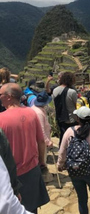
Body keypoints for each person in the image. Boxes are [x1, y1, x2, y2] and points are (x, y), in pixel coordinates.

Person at [0, 83, 49, 213]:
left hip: (13, 176)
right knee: (32, 209)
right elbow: (40, 141)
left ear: (9, 97)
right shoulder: (31, 113)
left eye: (1, 95)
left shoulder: (1, 119)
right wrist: (41, 161)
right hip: (32, 169)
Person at [57, 106, 90, 214]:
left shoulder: (70, 131)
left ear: (78, 118)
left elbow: (62, 150)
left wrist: (60, 164)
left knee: (82, 199)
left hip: (75, 169)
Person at [31, 91, 54, 183]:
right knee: (41, 159)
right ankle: (41, 179)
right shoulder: (39, 113)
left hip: (39, 140)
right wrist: (48, 142)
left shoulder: (36, 108)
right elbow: (41, 130)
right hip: (40, 141)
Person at [52, 71, 78, 146]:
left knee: (63, 136)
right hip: (71, 119)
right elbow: (76, 105)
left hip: (60, 118)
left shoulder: (55, 90)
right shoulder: (72, 92)